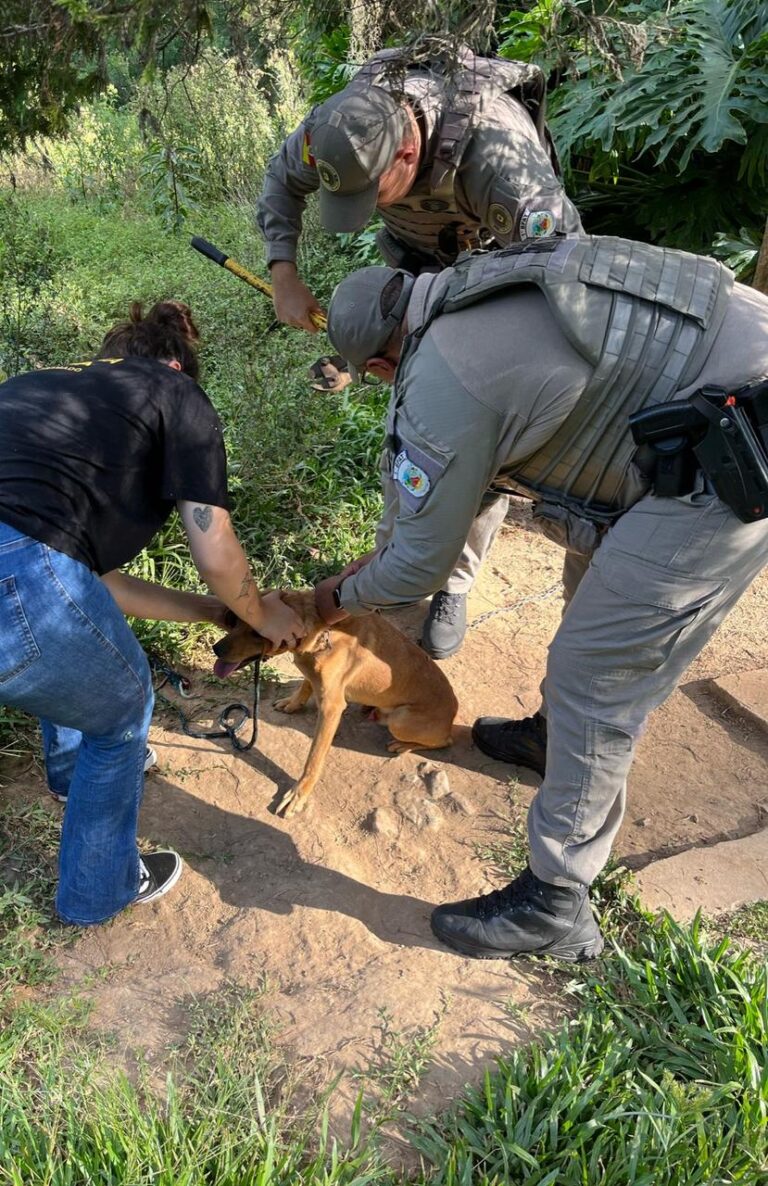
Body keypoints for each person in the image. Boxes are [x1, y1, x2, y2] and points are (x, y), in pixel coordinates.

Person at [312, 236, 768, 962]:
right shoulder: (469, 287)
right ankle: (555, 742)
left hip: (735, 448)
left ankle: (556, 902)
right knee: (591, 574)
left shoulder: (443, 377)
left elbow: (418, 566)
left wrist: (335, 594)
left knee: (597, 671)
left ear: (376, 365)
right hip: (721, 387)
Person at [258, 44, 584, 660]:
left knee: (478, 447)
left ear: (409, 151)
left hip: (504, 287)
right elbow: (282, 180)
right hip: (414, 276)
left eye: (376, 191)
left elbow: (566, 275)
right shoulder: (341, 130)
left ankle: (452, 581)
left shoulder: (498, 155)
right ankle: (401, 557)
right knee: (414, 430)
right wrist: (283, 272)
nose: (372, 208)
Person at [0, 301, 305, 927]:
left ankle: (66, 772)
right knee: (123, 710)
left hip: (27, 577)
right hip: (22, 573)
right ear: (178, 365)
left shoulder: (37, 385)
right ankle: (99, 891)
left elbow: (85, 583)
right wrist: (262, 615)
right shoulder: (177, 392)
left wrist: (213, 613)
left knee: (71, 653)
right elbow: (215, 545)